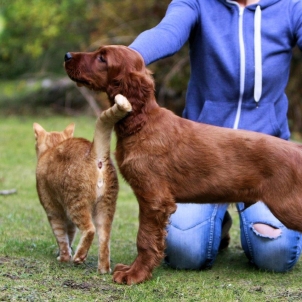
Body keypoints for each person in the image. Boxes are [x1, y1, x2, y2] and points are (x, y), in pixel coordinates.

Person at [128, 0, 302, 272]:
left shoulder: (292, 6)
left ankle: (243, 220)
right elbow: (168, 32)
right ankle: (216, 223)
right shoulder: (197, 2)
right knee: (186, 253)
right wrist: (129, 56)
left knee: (277, 256)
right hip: (199, 159)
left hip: (265, 162)